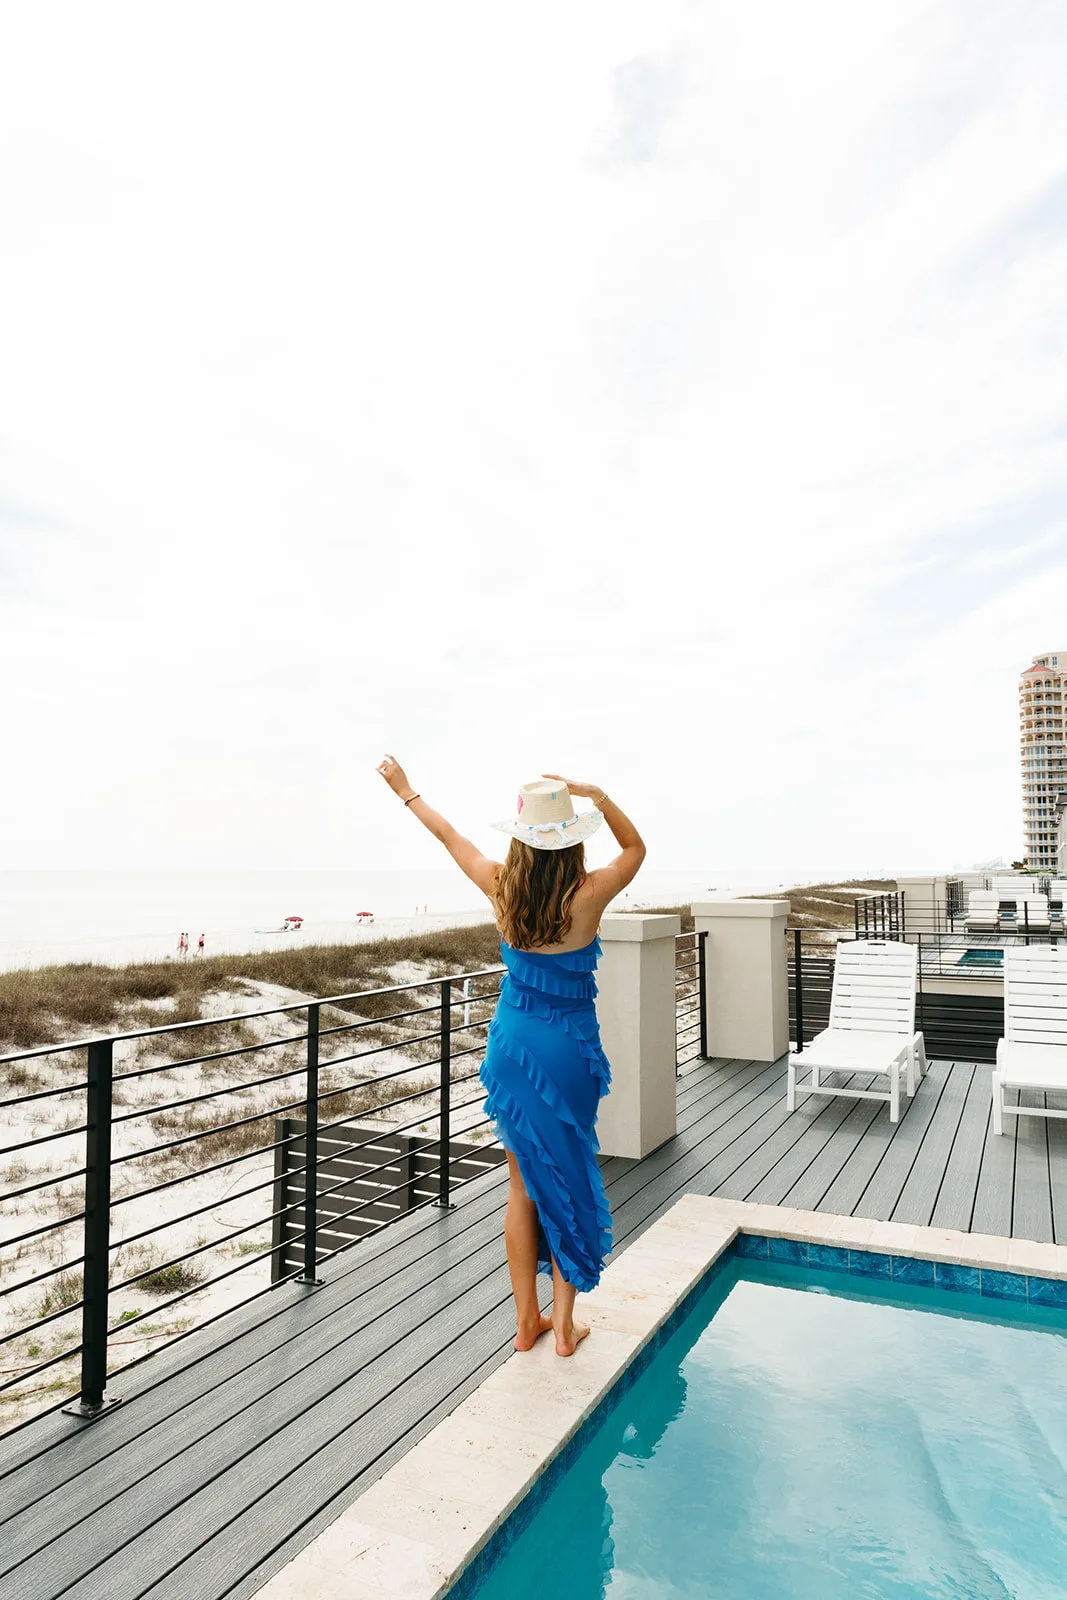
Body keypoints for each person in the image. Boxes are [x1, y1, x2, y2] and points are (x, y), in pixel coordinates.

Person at [377, 755, 645, 1357]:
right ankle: (565, 1324)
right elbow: (635, 850)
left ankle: (527, 1322)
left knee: (522, 1184)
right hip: (567, 1052)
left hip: (513, 1046)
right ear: (570, 841)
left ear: (521, 840)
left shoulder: (501, 885)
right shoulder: (590, 892)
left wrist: (406, 790)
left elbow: (450, 837)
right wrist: (598, 794)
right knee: (571, 1172)